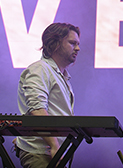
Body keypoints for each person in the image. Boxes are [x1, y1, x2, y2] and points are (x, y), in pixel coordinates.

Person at [15, 22, 81, 168]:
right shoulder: (40, 69)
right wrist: (54, 145)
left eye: (77, 44)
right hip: (43, 153)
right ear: (55, 43)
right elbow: (37, 110)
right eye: (72, 43)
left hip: (51, 152)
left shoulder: (60, 75)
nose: (77, 48)